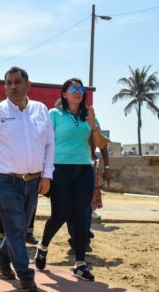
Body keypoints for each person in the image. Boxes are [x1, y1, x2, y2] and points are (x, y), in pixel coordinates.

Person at [0, 66, 54, 292]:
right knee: (14, 227)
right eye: (8, 82)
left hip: (33, 180)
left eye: (17, 82)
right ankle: (25, 274)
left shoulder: (41, 110)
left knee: (19, 230)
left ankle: (3, 261)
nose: (13, 86)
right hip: (6, 180)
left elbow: (50, 145)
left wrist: (47, 175)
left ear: (28, 85)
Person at [35, 78, 108, 281]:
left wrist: (94, 127)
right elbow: (43, 142)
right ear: (64, 94)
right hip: (59, 169)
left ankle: (79, 264)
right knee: (60, 214)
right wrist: (43, 172)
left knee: (82, 216)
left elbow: (101, 144)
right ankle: (43, 246)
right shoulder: (54, 115)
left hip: (84, 169)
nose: (78, 92)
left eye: (80, 89)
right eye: (73, 89)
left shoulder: (89, 115)